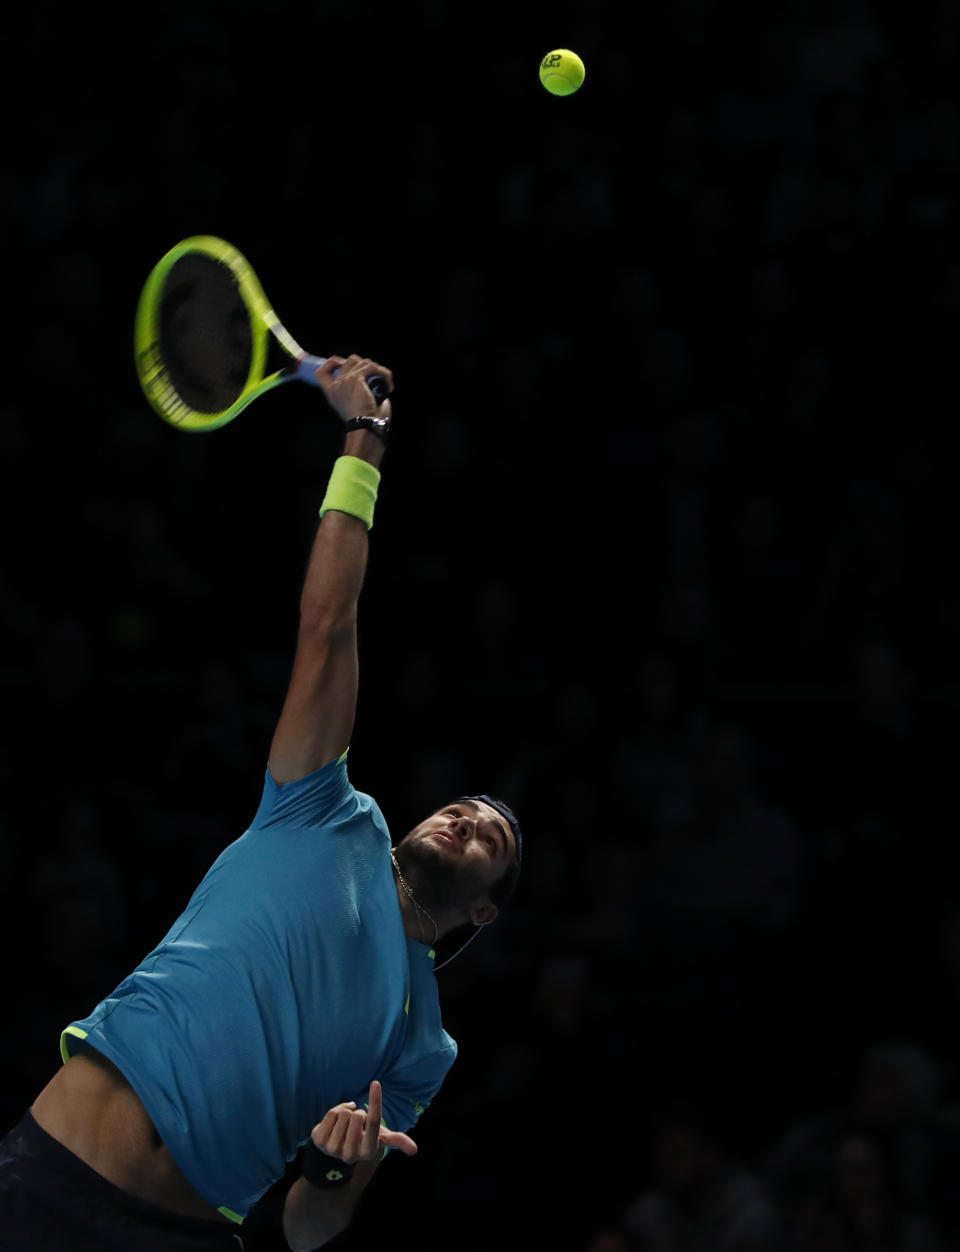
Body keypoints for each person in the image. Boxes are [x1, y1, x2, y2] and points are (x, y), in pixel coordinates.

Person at [0, 355, 523, 1252]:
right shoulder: (322, 807)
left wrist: (329, 1168)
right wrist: (366, 439)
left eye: (494, 838)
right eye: (465, 805)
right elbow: (329, 624)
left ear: (483, 908)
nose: (467, 815)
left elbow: (311, 1227)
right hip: (48, 1173)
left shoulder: (420, 1051)